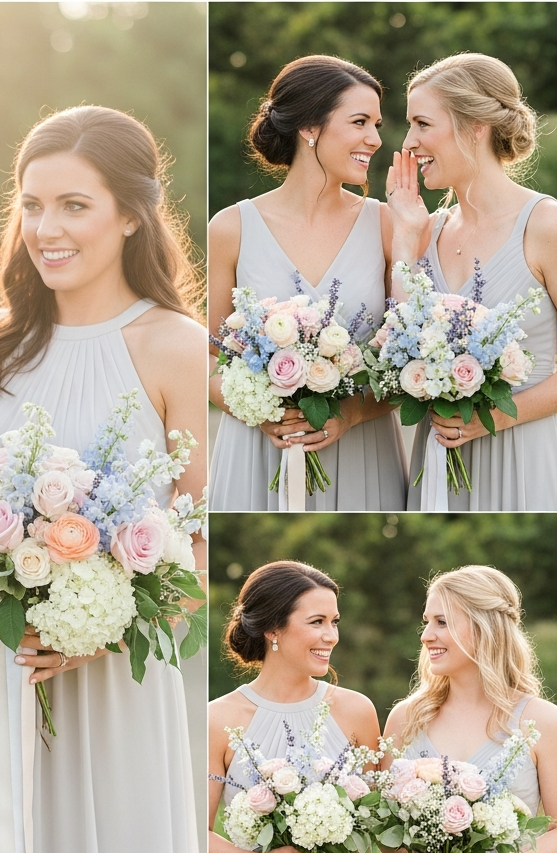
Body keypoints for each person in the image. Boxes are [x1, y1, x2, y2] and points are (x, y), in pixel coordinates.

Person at [0, 105, 207, 853]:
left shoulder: (176, 347)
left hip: (114, 696)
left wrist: (95, 631)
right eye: (33, 205)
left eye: (75, 206)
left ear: (132, 214)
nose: (47, 230)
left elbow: (195, 552)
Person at [208, 55, 407, 511]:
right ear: (310, 127)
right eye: (359, 122)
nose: (374, 139)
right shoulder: (232, 227)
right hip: (258, 453)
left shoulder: (387, 224)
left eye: (376, 124)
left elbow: (408, 360)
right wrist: (261, 416)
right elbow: (212, 361)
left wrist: (352, 413)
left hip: (360, 451)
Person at [208, 560, 384, 853]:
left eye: (334, 622)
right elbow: (190, 834)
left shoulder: (356, 711)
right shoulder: (217, 719)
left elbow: (383, 817)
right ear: (273, 630)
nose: (332, 636)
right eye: (317, 622)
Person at [381, 565, 557, 853]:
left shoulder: (541, 720)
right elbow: (382, 826)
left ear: (484, 627)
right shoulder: (405, 719)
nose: (426, 635)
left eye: (442, 622)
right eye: (426, 622)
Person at [386, 53, 557, 510]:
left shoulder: (546, 227)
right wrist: (405, 237)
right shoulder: (431, 228)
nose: (408, 142)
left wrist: (490, 419)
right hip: (437, 460)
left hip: (523, 457)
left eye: (423, 124)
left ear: (476, 125)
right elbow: (403, 340)